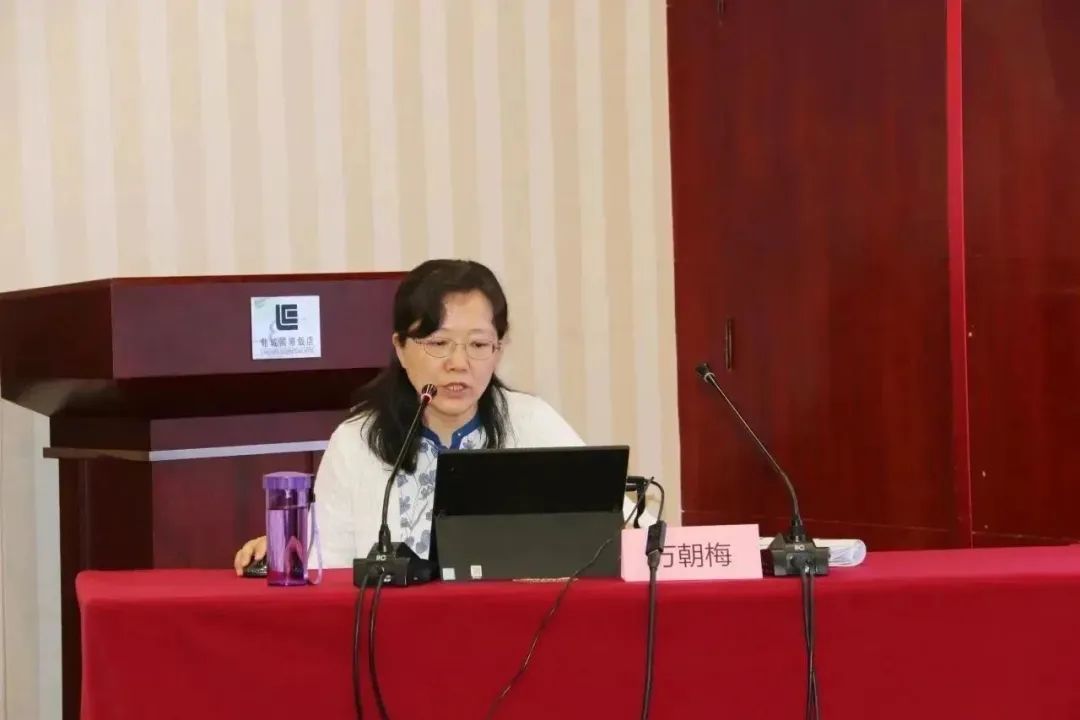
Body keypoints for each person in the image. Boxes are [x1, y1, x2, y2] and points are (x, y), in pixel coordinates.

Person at [234, 258, 648, 574]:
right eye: (438, 343)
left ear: (498, 350)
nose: (458, 364)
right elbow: (331, 565)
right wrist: (286, 551)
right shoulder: (357, 440)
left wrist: (621, 537)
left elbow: (638, 529)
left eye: (478, 345)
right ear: (401, 348)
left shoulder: (532, 423)